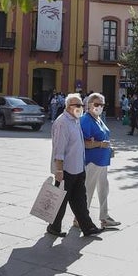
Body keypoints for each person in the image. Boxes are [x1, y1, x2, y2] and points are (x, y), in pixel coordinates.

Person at [47, 93, 101, 239]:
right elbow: (59, 149)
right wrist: (59, 170)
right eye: (77, 106)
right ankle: (54, 227)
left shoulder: (75, 120)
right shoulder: (62, 122)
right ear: (68, 107)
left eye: (81, 106)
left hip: (78, 168)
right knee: (61, 200)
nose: (80, 108)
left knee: (79, 200)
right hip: (66, 170)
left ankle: (88, 227)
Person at [81, 92, 120, 229]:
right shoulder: (86, 120)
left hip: (102, 161)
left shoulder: (98, 118)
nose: (99, 107)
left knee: (104, 190)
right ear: (89, 105)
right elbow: (84, 143)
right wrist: (100, 145)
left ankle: (104, 217)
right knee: (88, 190)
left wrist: (108, 148)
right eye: (96, 104)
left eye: (102, 105)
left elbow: (103, 137)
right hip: (92, 161)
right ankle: (80, 218)